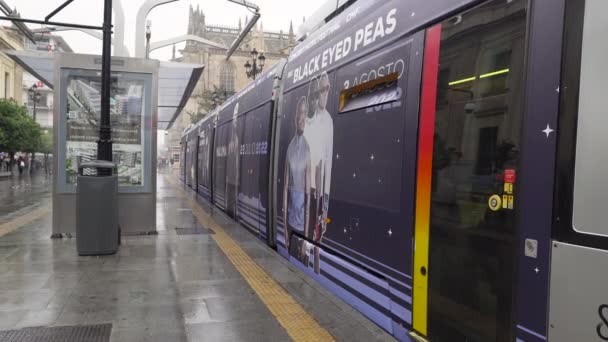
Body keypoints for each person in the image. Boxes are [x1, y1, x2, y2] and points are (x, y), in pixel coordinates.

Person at [303, 73, 334, 274]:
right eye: (320, 91)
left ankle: (314, 268)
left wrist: (326, 203)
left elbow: (327, 165)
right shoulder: (306, 123)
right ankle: (306, 264)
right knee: (308, 235)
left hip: (319, 190)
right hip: (308, 189)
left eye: (326, 89)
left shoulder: (329, 121)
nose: (324, 95)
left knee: (318, 236)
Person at [283, 96, 312, 263]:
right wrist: (286, 232)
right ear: (295, 117)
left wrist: (305, 241)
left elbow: (308, 201)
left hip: (301, 228)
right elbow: (285, 190)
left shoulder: (307, 149)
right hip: (291, 225)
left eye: (304, 114)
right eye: (299, 114)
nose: (301, 118)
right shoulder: (290, 148)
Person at [225, 103, 240, 218]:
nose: (235, 118)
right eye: (234, 115)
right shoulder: (231, 139)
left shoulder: (239, 138)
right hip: (230, 181)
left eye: (237, 115)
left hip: (236, 182)